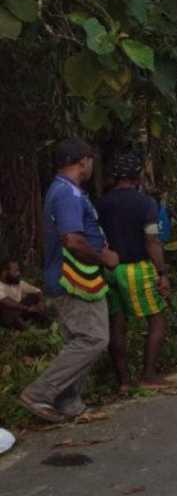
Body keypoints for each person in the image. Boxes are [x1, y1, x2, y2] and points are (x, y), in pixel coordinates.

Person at [19, 138, 120, 423]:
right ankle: (39, 392)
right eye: (91, 161)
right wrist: (103, 257)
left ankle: (69, 402)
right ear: (83, 160)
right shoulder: (68, 194)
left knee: (78, 340)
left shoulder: (65, 190)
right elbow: (72, 240)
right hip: (73, 279)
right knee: (93, 339)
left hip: (72, 277)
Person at [96, 151, 172, 391]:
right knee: (157, 320)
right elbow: (152, 241)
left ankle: (124, 382)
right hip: (137, 268)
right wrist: (162, 272)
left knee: (117, 323)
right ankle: (148, 375)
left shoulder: (101, 203)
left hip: (110, 269)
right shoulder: (145, 203)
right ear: (136, 176)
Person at [0, 258, 48, 331]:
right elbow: (7, 301)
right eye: (15, 271)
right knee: (7, 310)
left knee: (34, 297)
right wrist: (27, 308)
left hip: (21, 310)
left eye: (18, 270)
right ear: (5, 273)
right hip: (7, 315)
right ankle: (26, 328)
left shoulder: (17, 282)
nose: (18, 273)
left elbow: (38, 291)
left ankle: (40, 320)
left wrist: (41, 302)